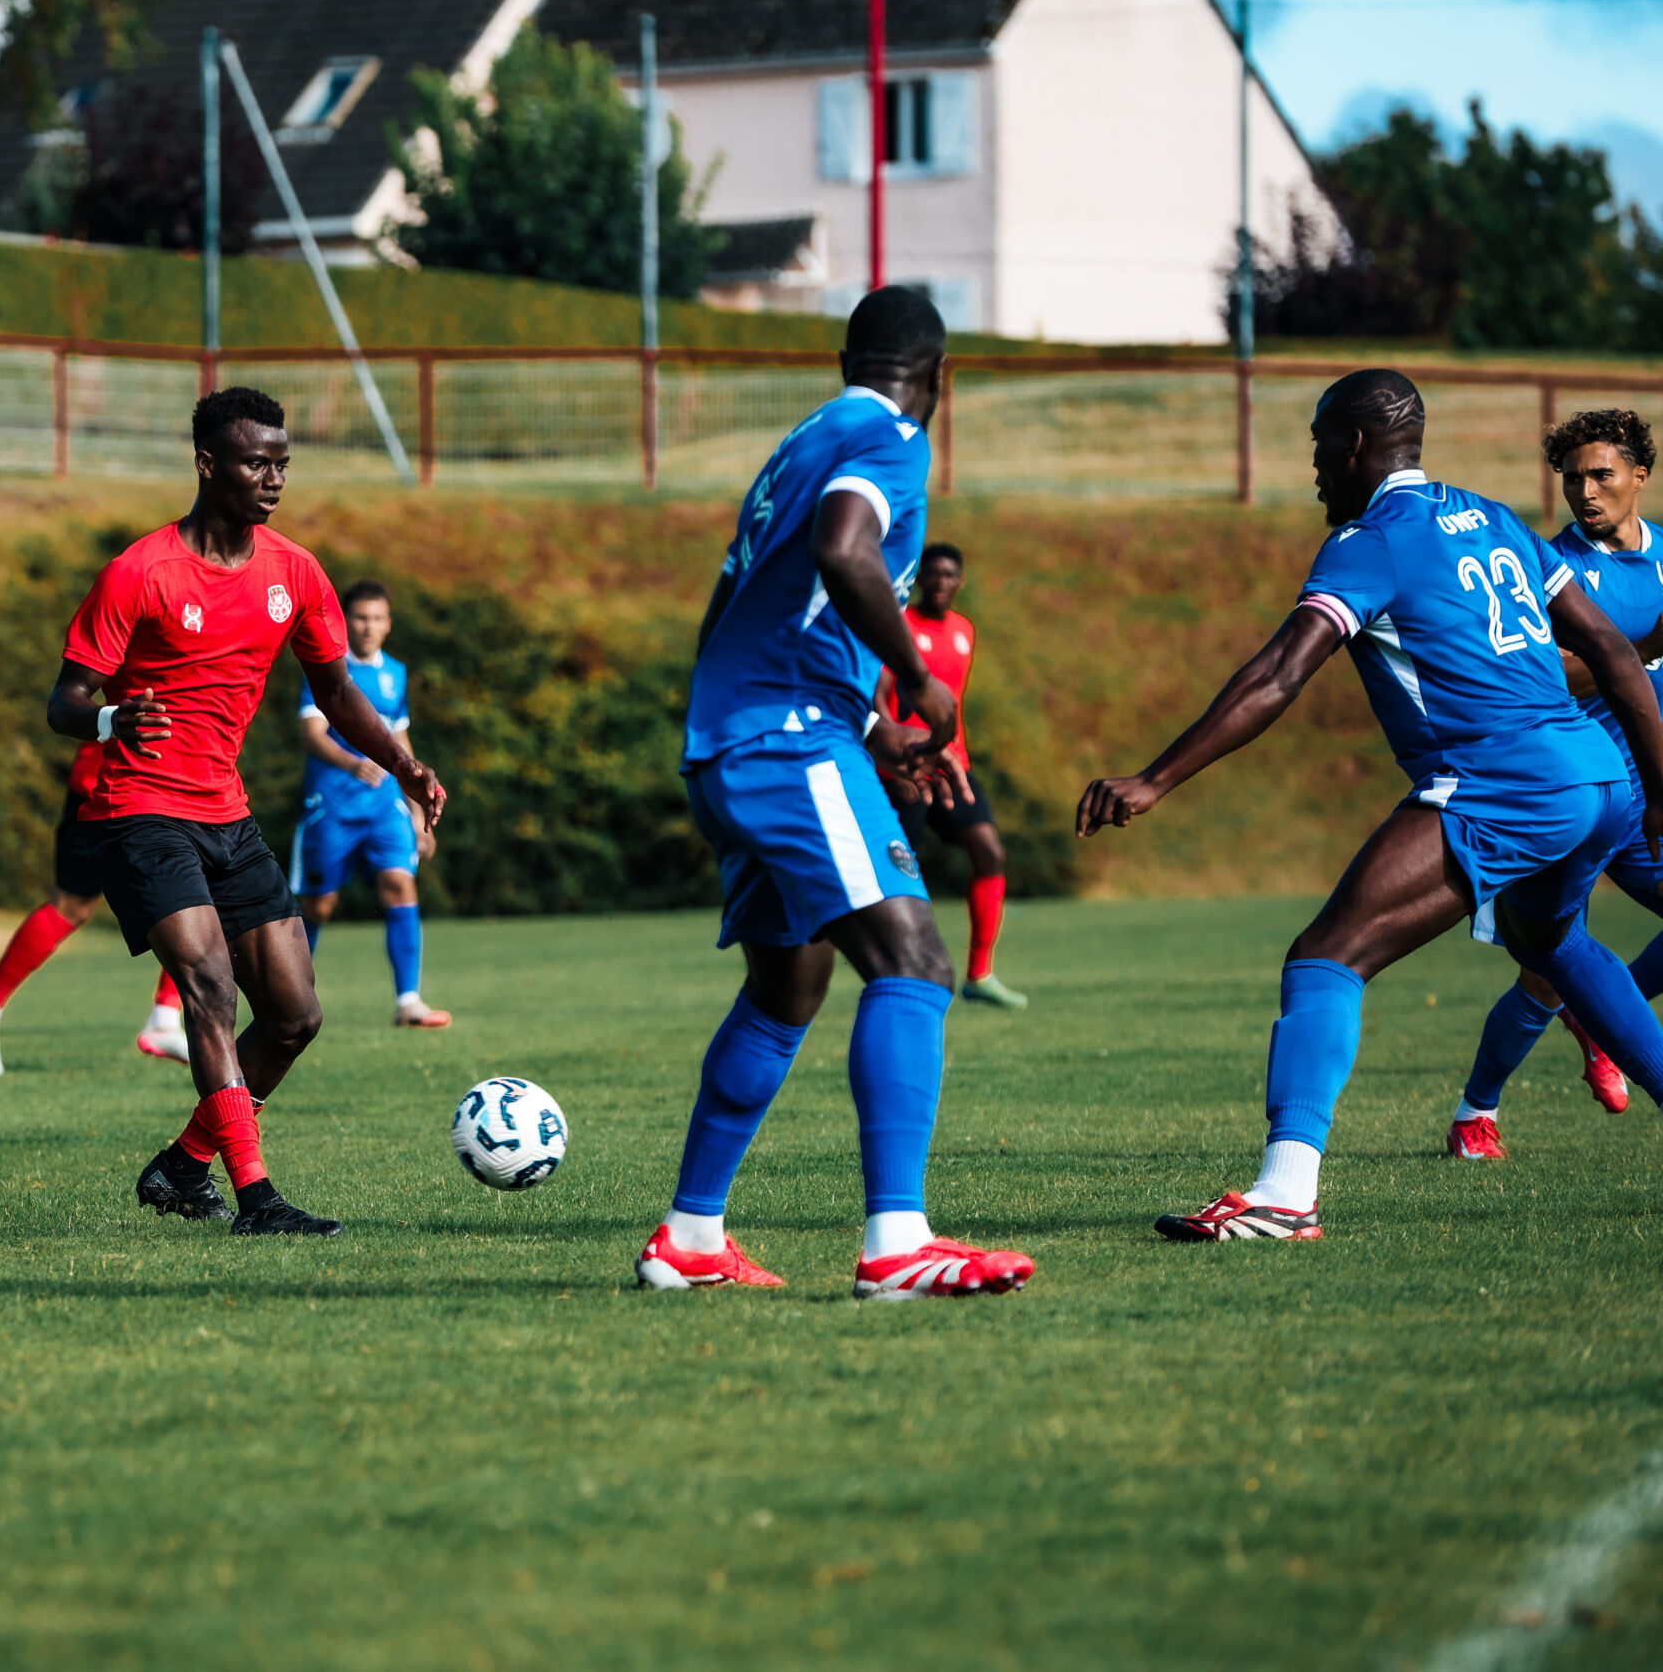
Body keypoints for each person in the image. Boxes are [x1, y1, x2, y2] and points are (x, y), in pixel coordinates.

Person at [1078, 370, 1663, 1241]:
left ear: (1353, 444)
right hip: (1598, 778)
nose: (1314, 465)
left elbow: (1278, 675)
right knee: (1551, 942)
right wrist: (1657, 790)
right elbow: (1615, 651)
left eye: (1320, 443)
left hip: (1503, 781)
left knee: (1327, 956)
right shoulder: (1494, 517)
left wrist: (1156, 778)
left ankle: (1285, 1194)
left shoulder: (1370, 540)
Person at [634, 285, 1038, 1299]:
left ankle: (689, 1238)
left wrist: (868, 726)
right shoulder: (892, 437)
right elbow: (845, 549)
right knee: (914, 959)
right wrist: (915, 673)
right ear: (938, 376)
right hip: (787, 742)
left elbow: (736, 613)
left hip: (739, 738)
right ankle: (897, 1245)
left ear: (843, 363)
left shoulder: (799, 444)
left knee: (788, 988)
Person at [48, 386, 444, 1237]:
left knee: (296, 1014)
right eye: (256, 462)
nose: (273, 478)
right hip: (139, 811)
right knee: (209, 986)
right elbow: (66, 699)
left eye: (282, 463)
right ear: (207, 464)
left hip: (227, 815)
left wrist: (404, 763)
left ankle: (183, 1165)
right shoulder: (141, 571)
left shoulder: (295, 572)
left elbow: (336, 691)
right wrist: (111, 718)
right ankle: (257, 1200)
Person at [1449, 409, 1660, 1157]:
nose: (1585, 491)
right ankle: (1476, 1113)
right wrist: (1645, 646)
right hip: (1580, 794)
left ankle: (1602, 1021)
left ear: (1640, 475)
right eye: (1572, 479)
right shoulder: (1554, 567)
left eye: (1601, 475)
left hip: (1650, 793)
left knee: (1562, 975)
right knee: (1544, 971)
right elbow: (1550, 675)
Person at [0, 739, 189, 1076]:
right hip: (122, 786)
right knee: (78, 905)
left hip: (158, 787)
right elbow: (72, 707)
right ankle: (164, 1019)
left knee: (79, 906)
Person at [291, 579, 451, 1028]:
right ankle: (289, 999)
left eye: (378, 618)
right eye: (361, 617)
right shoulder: (326, 667)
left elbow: (400, 738)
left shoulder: (395, 672)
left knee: (400, 884)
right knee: (319, 905)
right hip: (332, 807)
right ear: (345, 622)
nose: (369, 626)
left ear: (388, 624)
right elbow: (311, 734)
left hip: (384, 807)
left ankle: (408, 1001)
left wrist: (417, 811)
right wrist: (352, 762)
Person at [877, 543, 1027, 1008]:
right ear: (920, 578)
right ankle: (890, 969)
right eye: (933, 573)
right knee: (898, 868)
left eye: (949, 575)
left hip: (952, 764)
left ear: (960, 581)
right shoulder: (899, 623)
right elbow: (880, 694)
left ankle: (980, 974)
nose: (941, 582)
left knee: (989, 851)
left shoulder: (964, 630)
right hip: (906, 767)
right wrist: (894, 760)